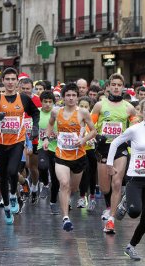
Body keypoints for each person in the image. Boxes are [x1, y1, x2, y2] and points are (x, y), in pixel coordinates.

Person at [107, 98, 145, 260]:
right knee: (135, 212)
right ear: (141, 112)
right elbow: (115, 143)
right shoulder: (134, 130)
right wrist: (109, 164)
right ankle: (126, 201)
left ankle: (131, 246)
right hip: (135, 177)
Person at [0, 67, 40, 225]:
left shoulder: (23, 98)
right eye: (7, 79)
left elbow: (35, 113)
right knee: (2, 176)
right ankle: (7, 206)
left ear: (17, 82)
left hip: (17, 141)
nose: (10, 82)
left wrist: (35, 127)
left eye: (13, 79)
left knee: (13, 171)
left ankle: (14, 194)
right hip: (0, 143)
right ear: (3, 81)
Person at [43, 82, 96, 232]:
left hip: (79, 156)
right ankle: (65, 217)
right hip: (61, 154)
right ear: (63, 98)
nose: (71, 98)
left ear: (77, 98)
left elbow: (93, 131)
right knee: (64, 184)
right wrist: (46, 138)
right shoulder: (56, 112)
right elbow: (50, 124)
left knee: (73, 188)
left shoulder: (83, 113)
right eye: (68, 95)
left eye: (74, 95)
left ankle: (68, 199)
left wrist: (83, 140)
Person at [91, 73, 138, 234]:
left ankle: (111, 219)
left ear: (123, 87)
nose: (116, 87)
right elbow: (91, 125)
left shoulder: (129, 107)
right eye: (114, 84)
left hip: (120, 149)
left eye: (119, 84)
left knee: (117, 183)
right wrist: (96, 136)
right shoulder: (99, 105)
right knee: (105, 187)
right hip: (103, 148)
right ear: (109, 87)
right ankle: (110, 205)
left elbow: (136, 128)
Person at [37, 91, 61, 215]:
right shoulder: (37, 112)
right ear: (41, 102)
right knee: (42, 166)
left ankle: (53, 202)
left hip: (57, 148)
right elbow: (32, 127)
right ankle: (45, 184)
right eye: (45, 102)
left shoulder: (58, 113)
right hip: (43, 146)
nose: (47, 104)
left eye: (50, 102)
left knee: (56, 179)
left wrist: (59, 134)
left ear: (53, 102)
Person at [19, 78, 42, 204]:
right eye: (23, 89)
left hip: (34, 137)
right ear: (19, 88)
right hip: (20, 137)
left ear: (32, 88)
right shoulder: (16, 99)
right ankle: (23, 186)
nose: (26, 91)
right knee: (22, 165)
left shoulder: (37, 100)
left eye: (28, 89)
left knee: (33, 166)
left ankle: (34, 186)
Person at [77, 96, 97, 211]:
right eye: (81, 106)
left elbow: (96, 131)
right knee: (84, 172)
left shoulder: (92, 118)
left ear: (90, 108)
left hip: (91, 150)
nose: (83, 108)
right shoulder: (75, 118)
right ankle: (82, 196)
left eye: (86, 106)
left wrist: (92, 138)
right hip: (80, 150)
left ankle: (92, 196)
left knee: (92, 173)